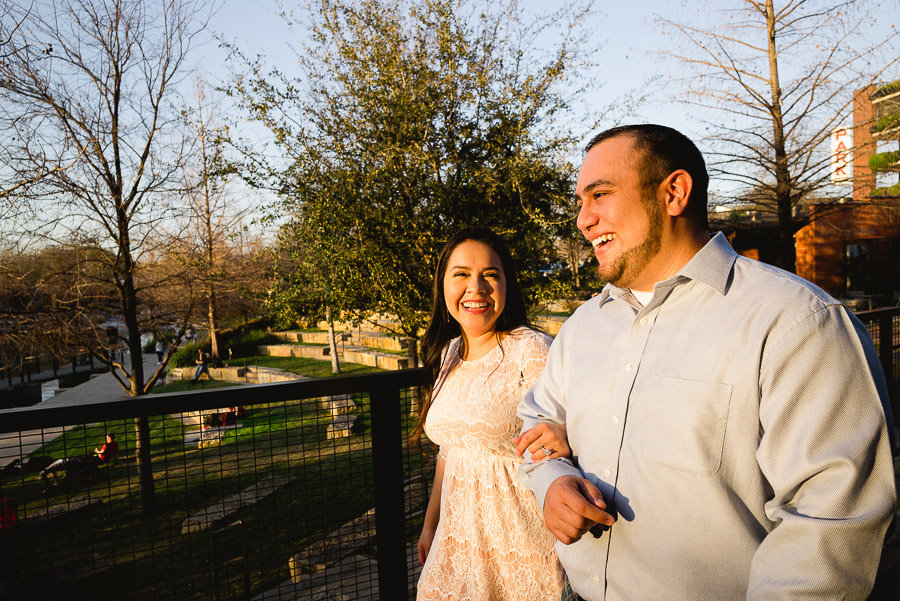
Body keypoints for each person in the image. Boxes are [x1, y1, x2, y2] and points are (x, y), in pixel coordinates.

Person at [518, 124, 897, 601]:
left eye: (600, 194)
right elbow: (538, 419)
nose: (583, 220)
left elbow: (831, 522)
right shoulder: (581, 327)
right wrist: (552, 481)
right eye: (580, 201)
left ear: (674, 192)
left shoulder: (798, 323)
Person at [414, 227, 568, 601]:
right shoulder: (449, 354)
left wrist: (569, 433)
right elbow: (449, 450)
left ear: (506, 285)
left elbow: (579, 428)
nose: (476, 288)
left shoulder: (532, 350)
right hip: (456, 545)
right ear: (443, 285)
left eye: (490, 275)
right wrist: (429, 523)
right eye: (462, 274)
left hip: (521, 545)